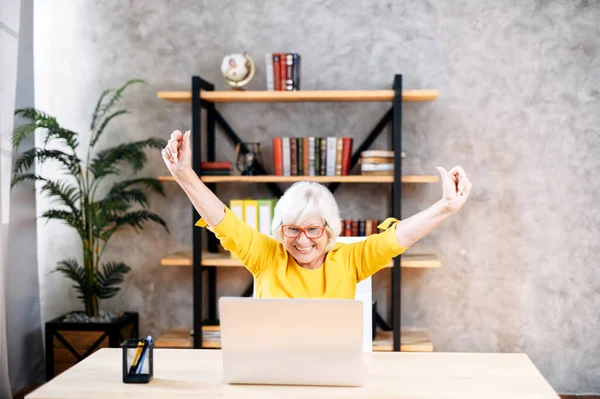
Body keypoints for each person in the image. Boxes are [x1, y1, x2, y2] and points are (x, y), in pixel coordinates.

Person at [162, 130, 472, 298]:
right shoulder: (266, 256)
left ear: (329, 229)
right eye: (292, 229)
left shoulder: (350, 259)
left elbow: (399, 236)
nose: (302, 241)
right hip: (271, 371)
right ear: (280, 229)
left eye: (313, 230)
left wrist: (446, 207)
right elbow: (223, 221)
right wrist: (183, 174)